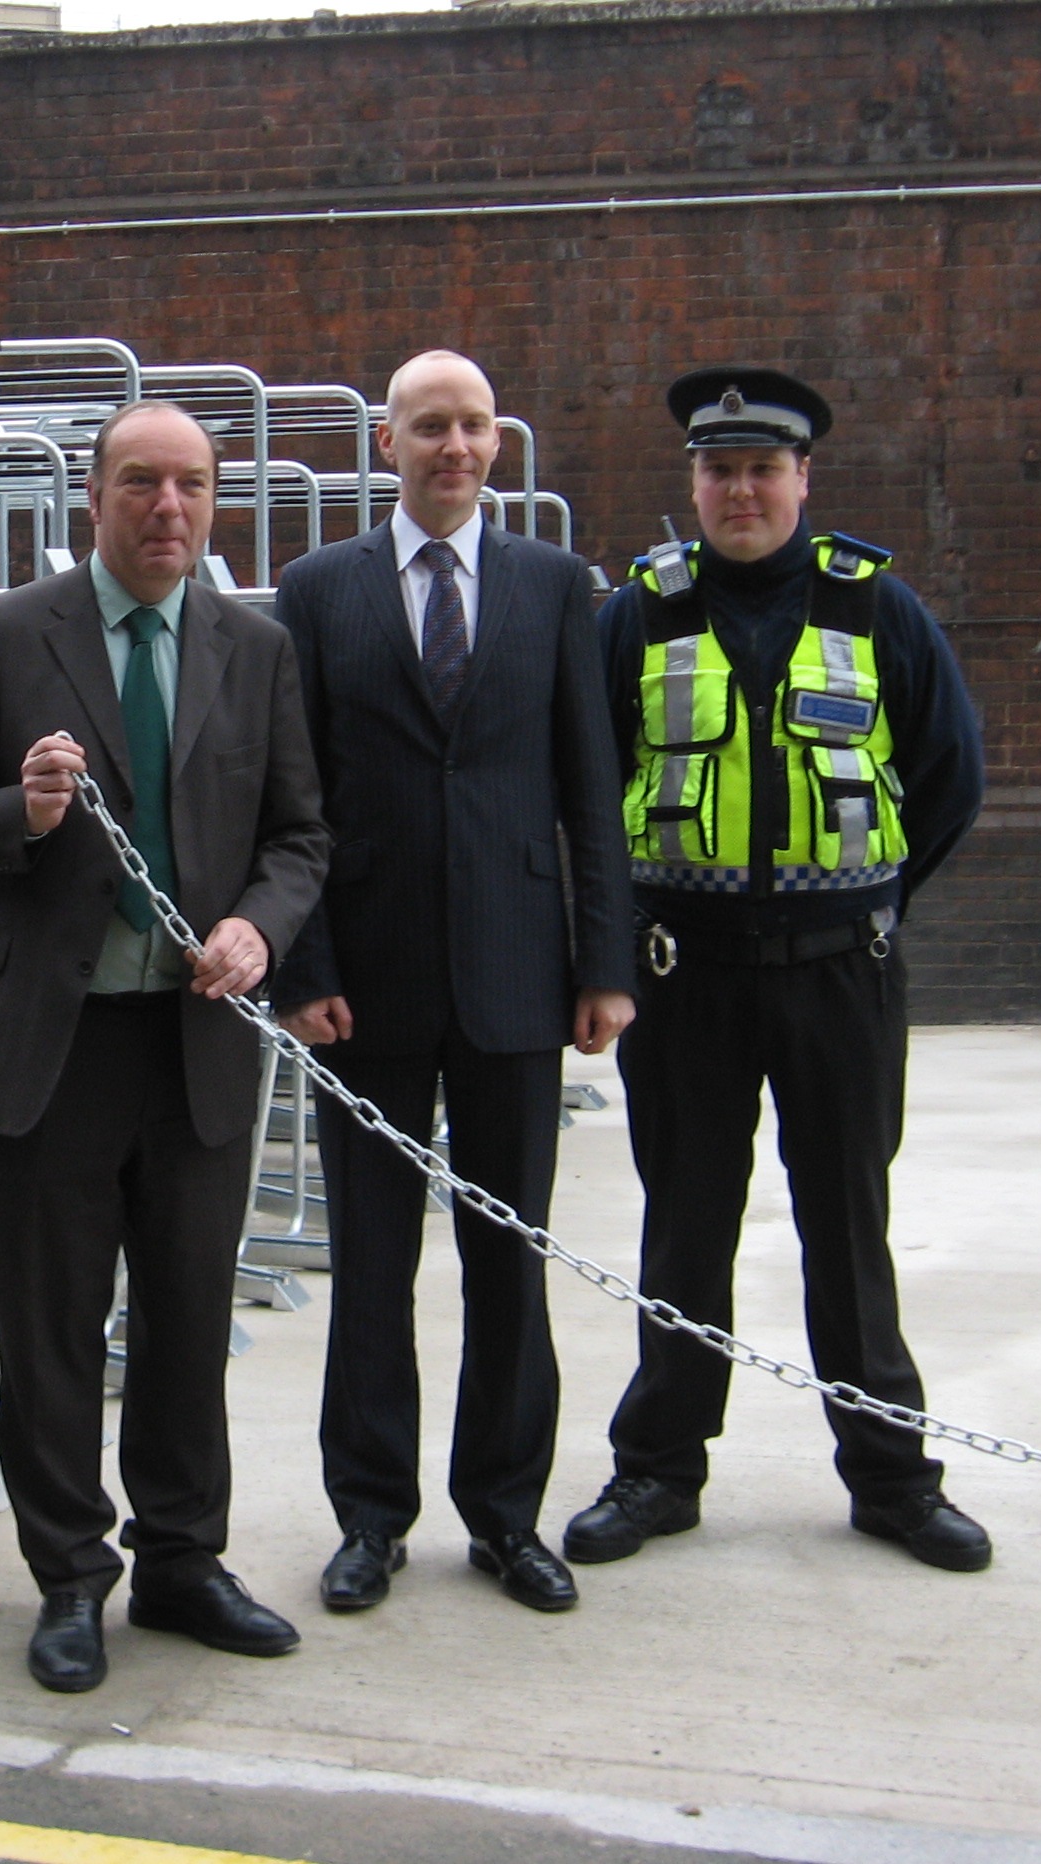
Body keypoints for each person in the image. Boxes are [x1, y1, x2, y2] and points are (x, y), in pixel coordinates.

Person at [0, 401, 328, 1693]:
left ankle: (185, 1563)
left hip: (191, 1045)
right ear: (93, 497)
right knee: (52, 1327)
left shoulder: (253, 650)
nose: (166, 508)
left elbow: (300, 838)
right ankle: (68, 1578)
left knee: (190, 1318)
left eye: (189, 485)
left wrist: (257, 931)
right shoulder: (2, 634)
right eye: (139, 482)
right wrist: (18, 813)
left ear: (213, 502)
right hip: (51, 1042)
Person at [565, 366, 990, 1574]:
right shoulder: (637, 611)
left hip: (836, 977)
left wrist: (867, 900)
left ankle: (892, 1480)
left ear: (802, 477)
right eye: (716, 469)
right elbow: (589, 800)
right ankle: (656, 1469)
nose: (738, 489)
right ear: (690, 482)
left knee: (846, 1229)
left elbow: (948, 776)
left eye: (761, 468)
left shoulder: (876, 609)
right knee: (682, 1229)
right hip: (683, 974)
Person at [270, 351, 635, 1616]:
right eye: (431, 426)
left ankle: (505, 1515)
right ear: (387, 442)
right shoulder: (316, 592)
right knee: (369, 1267)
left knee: (506, 1260)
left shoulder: (550, 585)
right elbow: (292, 796)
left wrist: (603, 966)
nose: (455, 447)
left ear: (496, 443)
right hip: (359, 992)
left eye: (474, 426)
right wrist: (299, 969)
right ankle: (368, 1518)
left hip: (516, 983)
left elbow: (591, 789)